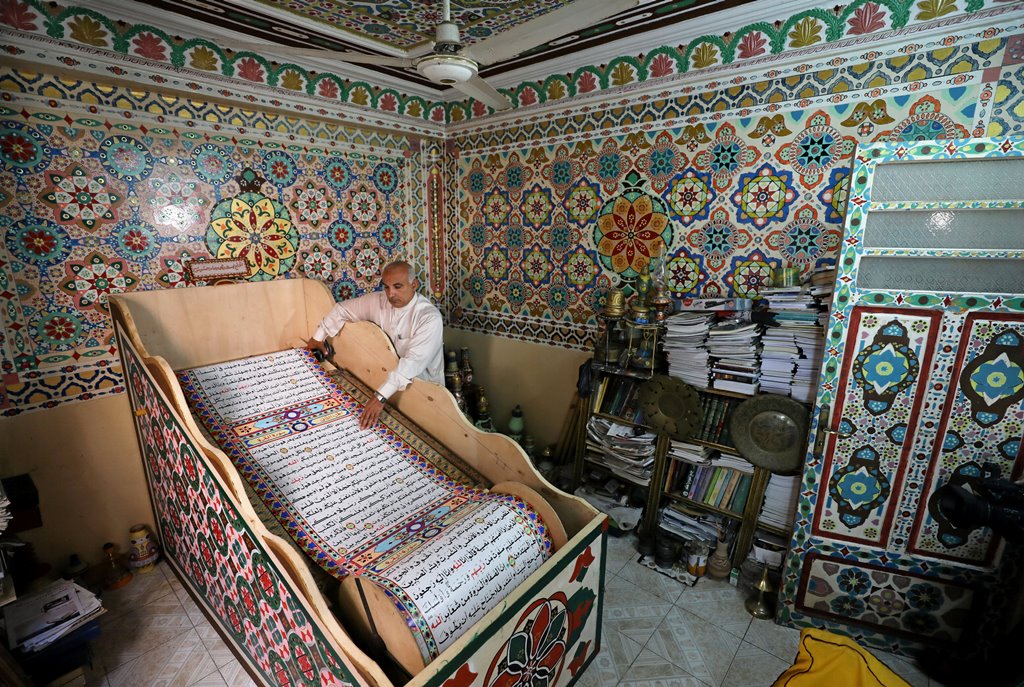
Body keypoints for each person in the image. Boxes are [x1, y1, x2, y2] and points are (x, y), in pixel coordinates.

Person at [308, 260, 444, 430]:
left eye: (398, 286)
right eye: (386, 287)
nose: (391, 294)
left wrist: (379, 397)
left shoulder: (429, 318)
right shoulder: (378, 301)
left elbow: (412, 363)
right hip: (389, 390)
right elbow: (341, 310)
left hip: (426, 393)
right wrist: (318, 338)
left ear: (414, 284)